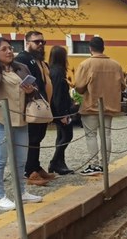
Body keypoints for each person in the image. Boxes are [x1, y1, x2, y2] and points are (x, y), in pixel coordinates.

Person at [0, 37, 44, 210]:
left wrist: (30, 91)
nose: (9, 51)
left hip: (20, 118)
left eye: (10, 48)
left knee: (21, 159)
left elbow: (34, 89)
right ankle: (0, 196)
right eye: (4, 49)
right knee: (0, 160)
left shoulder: (21, 67)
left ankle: (21, 192)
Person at [73, 37, 126, 176]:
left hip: (91, 104)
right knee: (106, 135)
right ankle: (105, 164)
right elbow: (122, 85)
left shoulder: (86, 64)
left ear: (90, 48)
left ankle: (94, 164)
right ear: (103, 47)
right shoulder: (116, 65)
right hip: (110, 105)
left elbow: (78, 86)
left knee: (91, 136)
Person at [15, 30, 55, 185]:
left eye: (42, 42)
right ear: (27, 43)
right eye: (36, 42)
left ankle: (36, 166)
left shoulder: (38, 60)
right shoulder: (22, 59)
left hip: (42, 103)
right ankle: (29, 170)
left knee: (38, 137)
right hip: (31, 105)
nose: (40, 45)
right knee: (31, 138)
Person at [48, 46, 74, 175]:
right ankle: (54, 161)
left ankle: (59, 162)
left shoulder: (53, 70)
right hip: (61, 110)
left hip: (60, 109)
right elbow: (57, 94)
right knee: (67, 135)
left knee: (61, 136)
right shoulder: (58, 72)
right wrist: (62, 114)